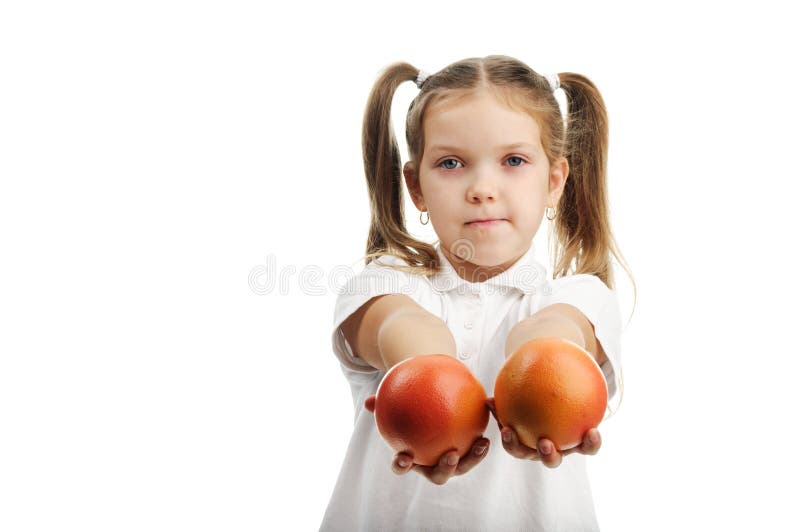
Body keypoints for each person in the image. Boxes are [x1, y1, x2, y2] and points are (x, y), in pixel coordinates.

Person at [320, 55, 636, 532]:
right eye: (451, 163)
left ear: (554, 183)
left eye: (513, 161)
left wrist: (541, 365)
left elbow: (558, 331)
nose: (482, 188)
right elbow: (399, 327)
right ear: (416, 187)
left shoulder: (582, 296)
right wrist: (428, 385)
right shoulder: (383, 282)